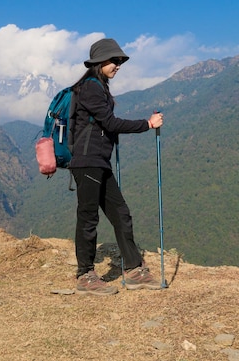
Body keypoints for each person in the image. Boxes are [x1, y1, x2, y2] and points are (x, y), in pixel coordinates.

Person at [69, 38, 164, 296]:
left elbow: (103, 125)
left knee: (120, 213)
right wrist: (147, 124)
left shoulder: (98, 86)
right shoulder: (89, 88)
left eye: (120, 61)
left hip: (99, 162)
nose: (118, 65)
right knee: (88, 217)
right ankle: (85, 274)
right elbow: (110, 124)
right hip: (87, 162)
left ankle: (134, 269)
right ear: (100, 62)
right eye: (114, 61)